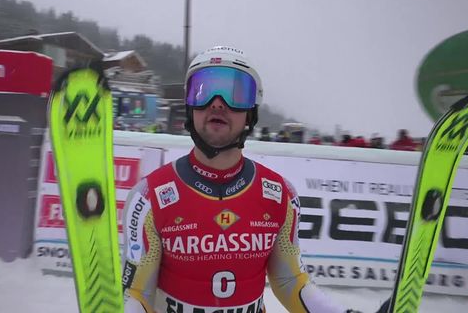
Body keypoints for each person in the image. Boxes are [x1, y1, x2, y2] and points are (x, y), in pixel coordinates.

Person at [120, 46, 367, 312]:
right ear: (190, 107)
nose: (217, 103)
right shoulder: (149, 197)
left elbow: (291, 282)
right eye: (203, 91)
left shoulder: (280, 194)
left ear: (251, 112)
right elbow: (136, 293)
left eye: (235, 93)